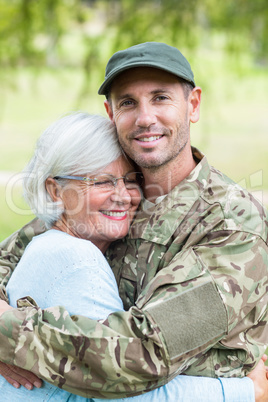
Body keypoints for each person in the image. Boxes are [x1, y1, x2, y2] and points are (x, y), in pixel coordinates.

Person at [0, 42, 267, 401]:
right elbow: (10, 257)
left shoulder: (231, 222)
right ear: (110, 113)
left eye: (160, 98)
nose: (144, 118)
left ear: (193, 105)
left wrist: (12, 336)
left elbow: (145, 354)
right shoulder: (111, 197)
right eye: (128, 102)